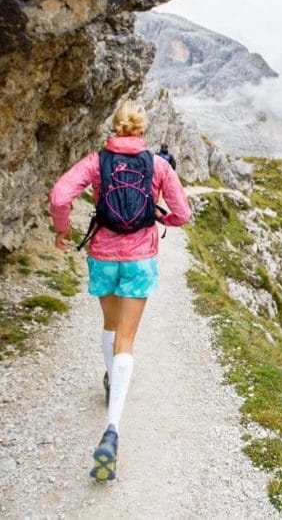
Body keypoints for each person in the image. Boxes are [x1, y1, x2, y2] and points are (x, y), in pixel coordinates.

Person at [49, 100, 191, 482]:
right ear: (142, 129)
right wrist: (162, 217)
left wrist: (62, 229)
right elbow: (183, 214)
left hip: (103, 256)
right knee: (127, 339)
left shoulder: (96, 162)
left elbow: (60, 196)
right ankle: (112, 430)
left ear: (114, 127)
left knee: (110, 327)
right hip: (140, 259)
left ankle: (112, 379)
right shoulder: (158, 165)